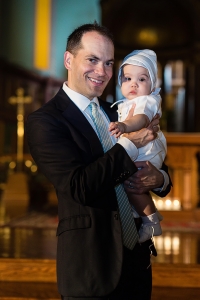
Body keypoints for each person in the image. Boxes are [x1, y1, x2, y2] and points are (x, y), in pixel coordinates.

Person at [26, 23, 172, 300]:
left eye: (108, 63)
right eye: (92, 60)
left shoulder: (119, 111)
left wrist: (160, 178)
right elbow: (79, 186)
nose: (102, 72)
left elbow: (161, 166)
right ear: (69, 60)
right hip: (91, 267)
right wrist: (130, 144)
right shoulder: (46, 121)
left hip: (137, 261)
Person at [109, 49, 167, 243]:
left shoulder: (146, 101)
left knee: (132, 182)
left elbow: (141, 119)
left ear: (152, 85)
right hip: (141, 149)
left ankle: (151, 222)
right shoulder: (124, 103)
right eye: (127, 78)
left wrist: (124, 126)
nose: (133, 83)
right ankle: (152, 216)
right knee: (132, 183)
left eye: (142, 80)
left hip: (147, 151)